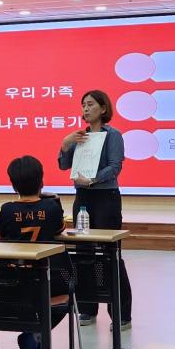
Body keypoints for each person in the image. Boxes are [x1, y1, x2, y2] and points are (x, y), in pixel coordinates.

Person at [56, 89, 132, 327]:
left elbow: (115, 166)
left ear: (103, 108)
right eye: (83, 105)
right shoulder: (80, 136)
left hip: (106, 197)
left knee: (110, 255)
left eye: (90, 104)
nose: (86, 109)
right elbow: (63, 166)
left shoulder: (113, 135)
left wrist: (93, 179)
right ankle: (88, 308)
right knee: (84, 254)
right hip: (83, 197)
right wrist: (65, 144)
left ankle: (121, 314)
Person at [0, 155, 66, 349]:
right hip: (48, 283)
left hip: (13, 285)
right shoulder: (51, 208)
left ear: (13, 185)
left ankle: (33, 336)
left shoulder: (7, 210)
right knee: (65, 298)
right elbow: (59, 229)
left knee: (30, 303)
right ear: (41, 181)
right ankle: (34, 334)